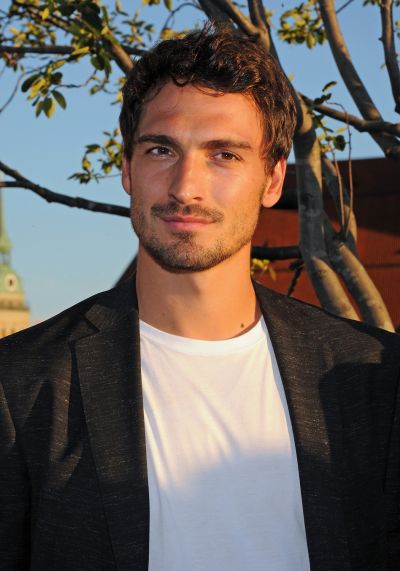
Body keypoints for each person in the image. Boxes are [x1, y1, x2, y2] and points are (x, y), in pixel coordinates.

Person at [1, 24, 399, 571]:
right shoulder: (21, 386)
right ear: (126, 170)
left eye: (224, 155)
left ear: (274, 178)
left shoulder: (376, 378)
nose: (185, 186)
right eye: (161, 149)